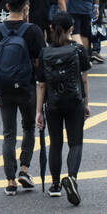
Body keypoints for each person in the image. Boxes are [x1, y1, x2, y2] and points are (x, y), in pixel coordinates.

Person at [0, 0, 45, 195]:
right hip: (26, 87)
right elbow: (39, 62)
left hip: (3, 88)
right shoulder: (33, 31)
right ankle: (24, 169)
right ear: (26, 6)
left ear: (7, 7)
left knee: (8, 133)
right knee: (28, 128)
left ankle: (10, 181)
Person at [35, 11, 90, 204]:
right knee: (75, 143)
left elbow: (41, 84)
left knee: (55, 143)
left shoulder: (45, 52)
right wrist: (86, 103)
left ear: (51, 28)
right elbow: (83, 78)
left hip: (53, 104)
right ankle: (72, 178)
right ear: (71, 30)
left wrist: (39, 112)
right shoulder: (78, 50)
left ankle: (55, 185)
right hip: (74, 101)